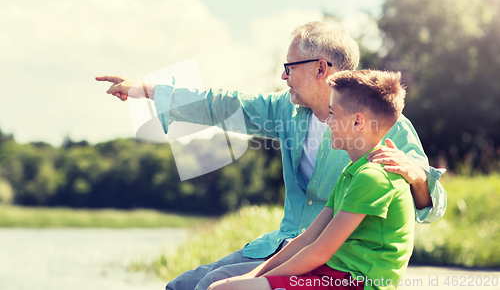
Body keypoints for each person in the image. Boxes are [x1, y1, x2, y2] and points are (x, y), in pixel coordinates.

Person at [96, 20, 446, 290]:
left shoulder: (387, 125)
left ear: (320, 68)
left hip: (338, 262)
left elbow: (434, 206)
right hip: (282, 245)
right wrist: (145, 90)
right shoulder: (284, 110)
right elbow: (222, 105)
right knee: (182, 285)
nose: (283, 76)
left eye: (290, 66)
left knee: (210, 285)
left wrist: (417, 176)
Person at [207, 69, 414, 290]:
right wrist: (254, 274)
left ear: (357, 122)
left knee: (225, 289)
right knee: (224, 286)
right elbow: (307, 240)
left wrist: (256, 282)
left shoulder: (373, 176)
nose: (327, 121)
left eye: (333, 113)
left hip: (356, 283)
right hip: (333, 275)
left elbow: (320, 251)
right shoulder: (352, 172)